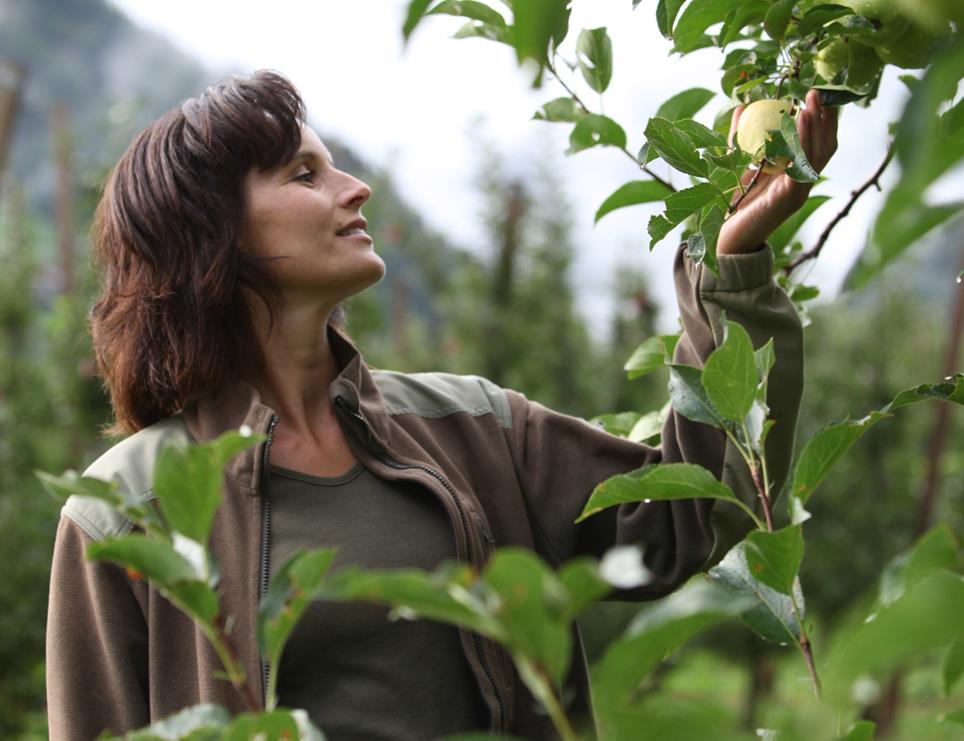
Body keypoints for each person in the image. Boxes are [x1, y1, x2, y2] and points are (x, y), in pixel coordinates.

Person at [45, 70, 837, 740]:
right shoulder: (127, 508)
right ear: (212, 233)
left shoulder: (471, 427)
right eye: (303, 174)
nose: (355, 189)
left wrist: (733, 268)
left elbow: (684, 512)